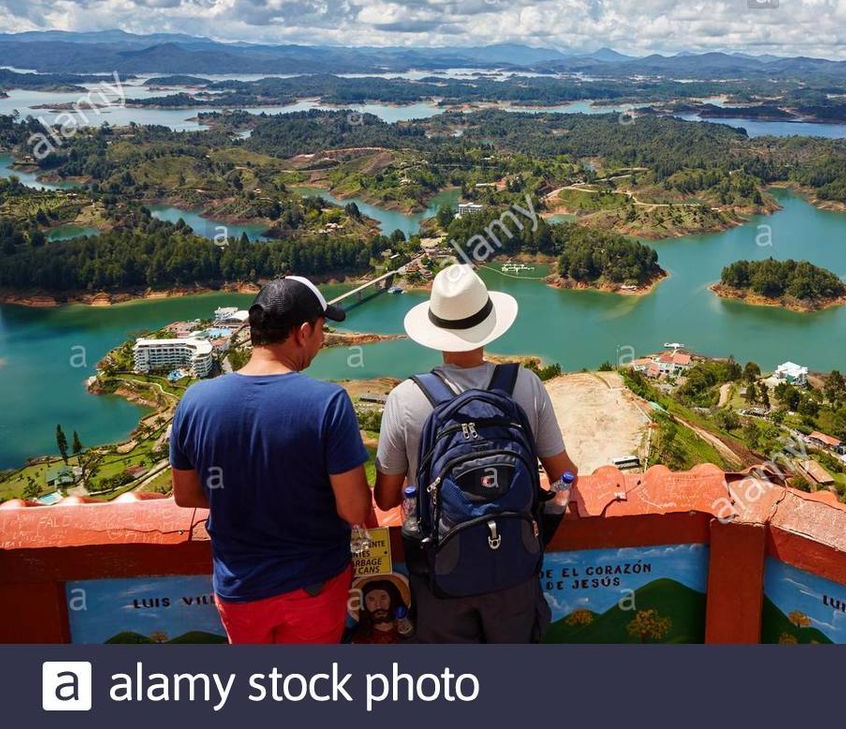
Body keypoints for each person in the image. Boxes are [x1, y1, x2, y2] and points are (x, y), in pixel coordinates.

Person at [375, 263, 578, 643]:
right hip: (514, 571)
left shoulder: (406, 398)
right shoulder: (526, 385)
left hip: (442, 578)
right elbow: (563, 473)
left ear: (435, 331)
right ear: (489, 324)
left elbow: (386, 499)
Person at [170, 275, 371, 644]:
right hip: (313, 584)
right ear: (304, 331)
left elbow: (185, 495)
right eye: (323, 330)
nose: (323, 340)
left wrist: (246, 495)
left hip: (239, 588)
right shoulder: (327, 403)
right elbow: (355, 509)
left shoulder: (195, 400)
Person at [346, 578, 410, 644]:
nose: (378, 606)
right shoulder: (358, 640)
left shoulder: (409, 633)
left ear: (393, 599)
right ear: (364, 604)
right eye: (371, 599)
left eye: (383, 598)